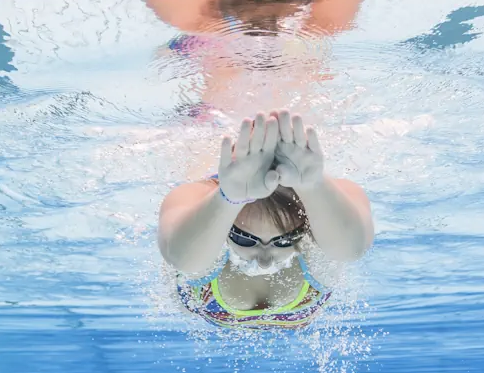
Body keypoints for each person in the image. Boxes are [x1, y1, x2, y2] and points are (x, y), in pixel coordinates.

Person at [158, 110, 373, 329]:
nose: (264, 261)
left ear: (305, 226)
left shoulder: (325, 218)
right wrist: (227, 198)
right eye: (244, 239)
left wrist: (314, 186)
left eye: (284, 240)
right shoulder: (197, 197)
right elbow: (182, 258)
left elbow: (351, 249)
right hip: (222, 194)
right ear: (225, 229)